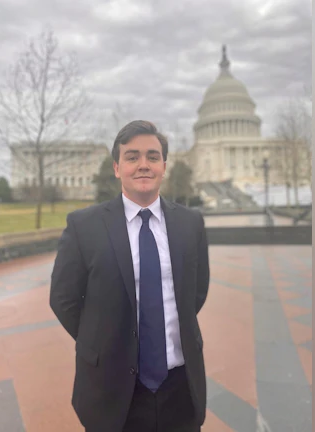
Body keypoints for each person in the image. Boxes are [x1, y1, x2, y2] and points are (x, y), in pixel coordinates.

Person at [49, 120, 210, 432]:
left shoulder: (191, 224)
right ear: (117, 167)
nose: (143, 165)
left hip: (180, 386)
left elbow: (195, 294)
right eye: (132, 156)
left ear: (164, 165)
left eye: (152, 156)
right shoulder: (85, 226)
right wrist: (101, 343)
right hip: (111, 387)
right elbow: (63, 299)